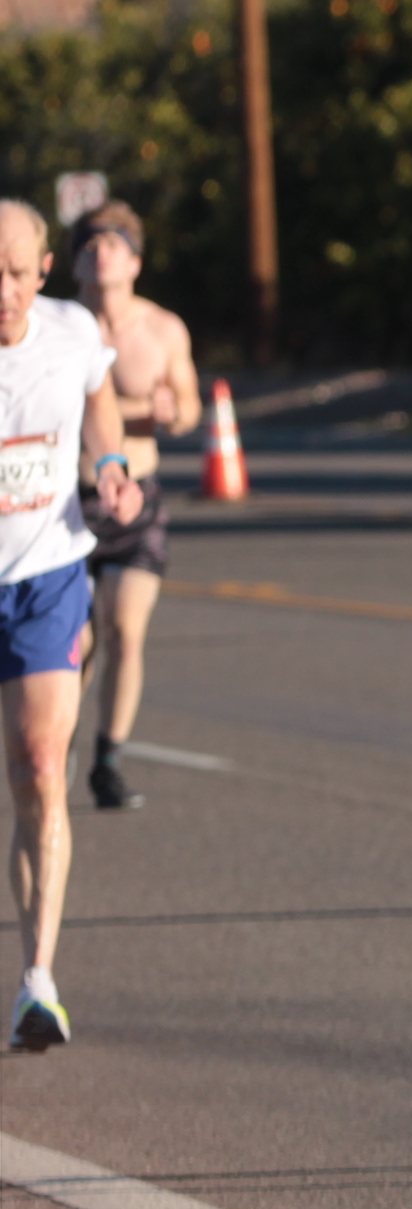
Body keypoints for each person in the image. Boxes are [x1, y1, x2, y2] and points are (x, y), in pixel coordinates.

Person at [0, 198, 143, 1051]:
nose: (4, 291)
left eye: (18, 273)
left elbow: (99, 404)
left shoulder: (71, 330)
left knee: (40, 766)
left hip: (46, 575)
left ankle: (37, 982)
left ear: (45, 270)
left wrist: (112, 465)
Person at [64, 202, 198, 815]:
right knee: (78, 641)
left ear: (136, 262)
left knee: (125, 630)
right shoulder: (59, 330)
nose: (101, 253)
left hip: (138, 501)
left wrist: (173, 412)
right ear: (73, 263)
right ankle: (57, 741)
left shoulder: (163, 330)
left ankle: (107, 761)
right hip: (70, 503)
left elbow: (190, 407)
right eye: (90, 244)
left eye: (114, 244)